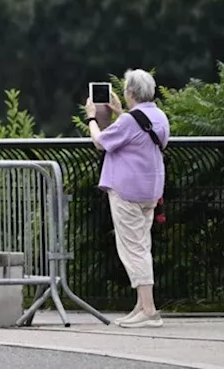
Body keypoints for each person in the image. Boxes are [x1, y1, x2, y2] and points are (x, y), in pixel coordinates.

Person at [85, 68, 170, 329]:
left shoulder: (129, 121)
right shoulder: (159, 116)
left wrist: (92, 118)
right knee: (142, 245)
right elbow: (144, 137)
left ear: (129, 92)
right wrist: (122, 113)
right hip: (150, 189)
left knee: (133, 249)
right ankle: (141, 306)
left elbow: (101, 141)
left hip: (127, 191)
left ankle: (149, 310)